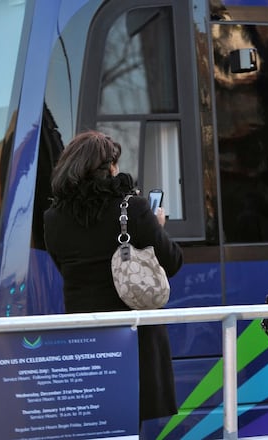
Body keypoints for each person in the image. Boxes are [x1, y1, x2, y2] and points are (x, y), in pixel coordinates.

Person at [43, 130, 183, 426]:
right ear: (110, 168)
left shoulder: (53, 219)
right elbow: (172, 262)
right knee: (137, 422)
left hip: (86, 338)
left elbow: (65, 267)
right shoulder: (133, 209)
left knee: (98, 422)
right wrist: (158, 226)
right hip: (136, 339)